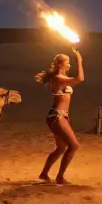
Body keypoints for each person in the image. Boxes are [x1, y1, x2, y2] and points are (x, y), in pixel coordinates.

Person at [36, 48, 84, 184]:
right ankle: (60, 177)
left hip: (61, 116)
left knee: (61, 148)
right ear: (60, 64)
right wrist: (79, 60)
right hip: (57, 116)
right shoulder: (58, 78)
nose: (69, 64)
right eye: (67, 61)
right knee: (74, 146)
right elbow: (80, 78)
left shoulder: (63, 79)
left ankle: (44, 174)